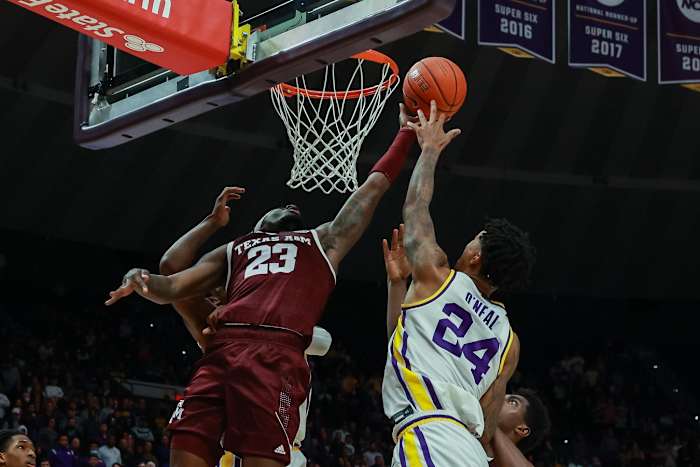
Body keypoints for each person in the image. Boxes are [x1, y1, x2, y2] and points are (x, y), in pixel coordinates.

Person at [106, 105, 418, 467]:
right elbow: (171, 280)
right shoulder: (235, 249)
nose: (289, 205)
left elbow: (372, 188)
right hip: (223, 351)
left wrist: (406, 133)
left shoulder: (322, 241)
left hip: (276, 356)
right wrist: (138, 277)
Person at [380, 101, 536, 466]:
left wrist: (430, 149)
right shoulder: (509, 342)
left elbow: (416, 208)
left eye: (477, 238)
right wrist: (397, 285)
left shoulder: (438, 275)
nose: (470, 240)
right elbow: (486, 425)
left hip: (430, 434)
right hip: (467, 449)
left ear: (477, 257)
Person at [157, 187, 334, 467]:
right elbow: (170, 269)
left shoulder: (282, 318)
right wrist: (211, 223)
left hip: (284, 451)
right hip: (235, 451)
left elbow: (323, 341)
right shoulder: (213, 326)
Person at [382, 228, 550, 467]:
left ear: (523, 430)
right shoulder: (475, 424)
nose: (503, 401)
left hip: (441, 440)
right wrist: (397, 284)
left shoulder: (482, 433)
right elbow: (406, 348)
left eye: (512, 402)